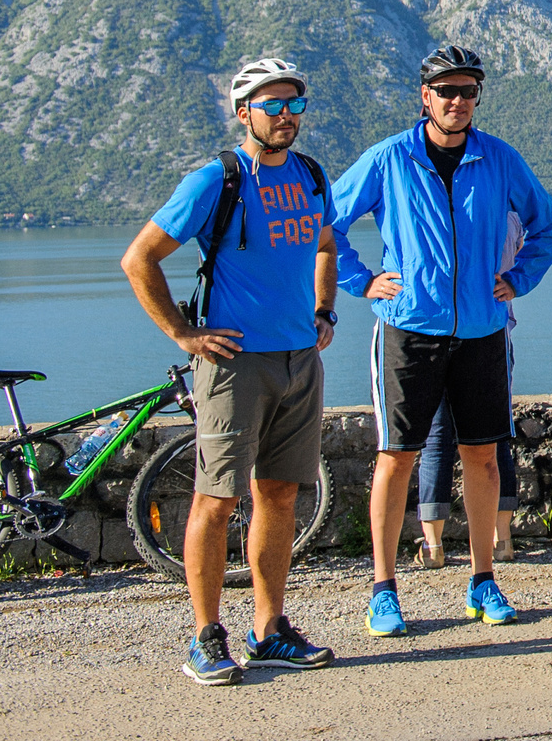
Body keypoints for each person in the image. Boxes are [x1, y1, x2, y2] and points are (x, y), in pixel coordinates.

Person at [120, 57, 339, 685]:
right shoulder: (216, 180)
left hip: (299, 361)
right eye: (272, 107)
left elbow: (325, 246)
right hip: (232, 365)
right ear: (244, 113)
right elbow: (140, 258)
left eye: (295, 105)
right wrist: (183, 333)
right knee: (216, 499)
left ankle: (269, 632)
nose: (287, 117)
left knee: (280, 495)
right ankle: (205, 637)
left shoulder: (310, 176)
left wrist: (324, 312)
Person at [332, 46, 552, 638]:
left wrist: (517, 280)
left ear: (476, 98)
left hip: (483, 330)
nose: (456, 101)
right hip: (408, 329)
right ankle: (383, 589)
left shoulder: (499, 159)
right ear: (425, 96)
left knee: (482, 455)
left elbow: (547, 224)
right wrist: (361, 282)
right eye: (445, 91)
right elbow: (324, 222)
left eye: (467, 91)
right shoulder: (389, 158)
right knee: (397, 457)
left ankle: (483, 579)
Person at [415, 211, 524, 568]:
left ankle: (433, 545)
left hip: (439, 333)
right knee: (494, 439)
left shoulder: (461, 215)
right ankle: (502, 538)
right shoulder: (511, 220)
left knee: (436, 438)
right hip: (495, 332)